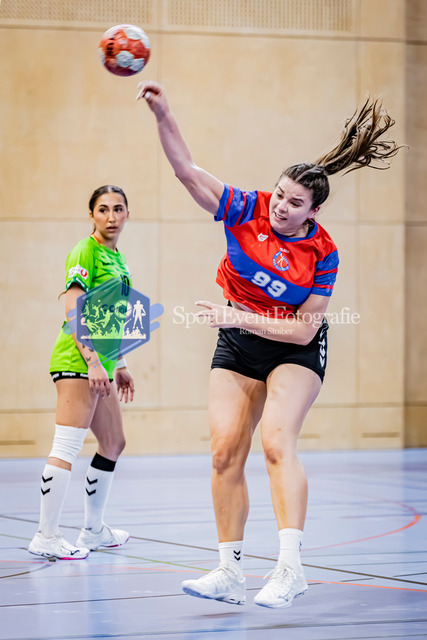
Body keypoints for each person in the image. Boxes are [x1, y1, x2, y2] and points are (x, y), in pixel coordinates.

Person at [137, 82, 401, 608]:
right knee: (223, 453)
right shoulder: (246, 208)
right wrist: (163, 112)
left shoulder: (323, 253)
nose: (281, 206)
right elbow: (187, 171)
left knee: (277, 443)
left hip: (292, 348)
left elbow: (302, 330)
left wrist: (236, 315)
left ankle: (290, 570)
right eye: (280, 194)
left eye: (295, 203)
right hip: (239, 342)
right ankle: (229, 571)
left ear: (313, 212)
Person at [28, 185, 135, 560]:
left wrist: (119, 364)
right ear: (91, 215)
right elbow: (74, 306)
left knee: (114, 442)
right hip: (78, 361)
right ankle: (46, 535)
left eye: (118, 209)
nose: (111, 216)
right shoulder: (85, 250)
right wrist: (91, 360)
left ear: (127, 214)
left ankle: (93, 531)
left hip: (102, 365)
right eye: (103, 209)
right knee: (67, 446)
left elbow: (110, 315)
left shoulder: (118, 258)